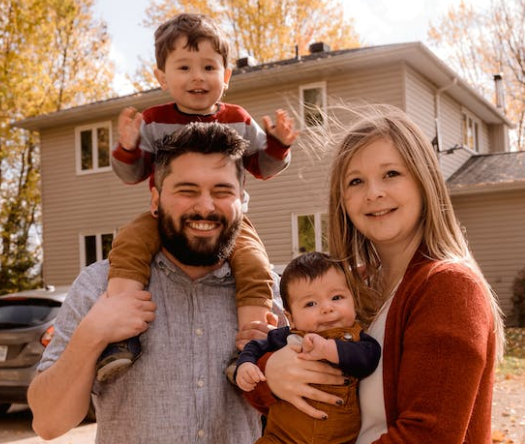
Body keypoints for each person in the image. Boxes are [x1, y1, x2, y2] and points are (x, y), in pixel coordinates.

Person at [249, 105, 505, 443]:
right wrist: (271, 371)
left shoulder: (449, 288)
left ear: (423, 179)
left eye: (391, 174)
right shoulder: (351, 288)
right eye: (356, 181)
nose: (373, 193)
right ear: (343, 199)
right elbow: (265, 396)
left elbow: (427, 436)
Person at [27, 122, 282, 443]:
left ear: (241, 200)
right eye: (187, 191)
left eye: (222, 191)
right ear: (155, 200)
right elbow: (48, 424)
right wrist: (92, 333)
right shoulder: (98, 286)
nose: (205, 206)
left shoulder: (268, 292)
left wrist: (278, 363)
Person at [101, 12, 298, 381]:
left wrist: (279, 145)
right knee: (128, 246)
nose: (197, 76)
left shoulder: (238, 119)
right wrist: (128, 148)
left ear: (225, 76)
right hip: (165, 219)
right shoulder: (153, 121)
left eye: (209, 67)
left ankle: (250, 350)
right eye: (184, 67)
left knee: (256, 267)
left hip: (230, 226)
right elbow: (133, 174)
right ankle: (119, 338)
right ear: (161, 77)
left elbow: (262, 167)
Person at [235, 252, 381, 444]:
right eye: (311, 303)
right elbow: (254, 346)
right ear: (292, 318)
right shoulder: (288, 336)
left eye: (337, 297)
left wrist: (331, 349)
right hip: (282, 437)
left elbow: (369, 359)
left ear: (353, 300)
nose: (327, 308)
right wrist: (245, 365)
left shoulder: (356, 340)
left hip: (338, 440)